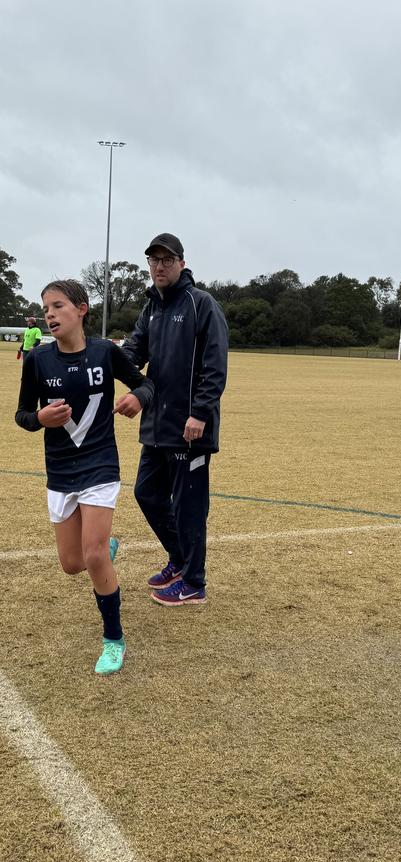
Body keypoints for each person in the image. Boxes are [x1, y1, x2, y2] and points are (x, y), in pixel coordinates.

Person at [15, 279, 153, 674]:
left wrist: (137, 399)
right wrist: (39, 419)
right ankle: (105, 547)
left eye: (58, 306)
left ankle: (113, 638)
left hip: (100, 464)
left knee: (91, 556)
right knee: (73, 564)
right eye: (45, 310)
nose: (50, 315)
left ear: (81, 309)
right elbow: (22, 415)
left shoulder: (105, 352)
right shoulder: (38, 360)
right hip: (60, 470)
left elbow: (145, 383)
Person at [121, 233, 228, 606]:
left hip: (190, 428)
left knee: (189, 505)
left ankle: (194, 582)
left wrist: (199, 412)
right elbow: (133, 351)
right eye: (153, 260)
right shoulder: (152, 308)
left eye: (167, 260)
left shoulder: (202, 305)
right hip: (156, 424)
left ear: (181, 263)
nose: (159, 266)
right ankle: (180, 560)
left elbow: (215, 367)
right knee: (146, 492)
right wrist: (101, 363)